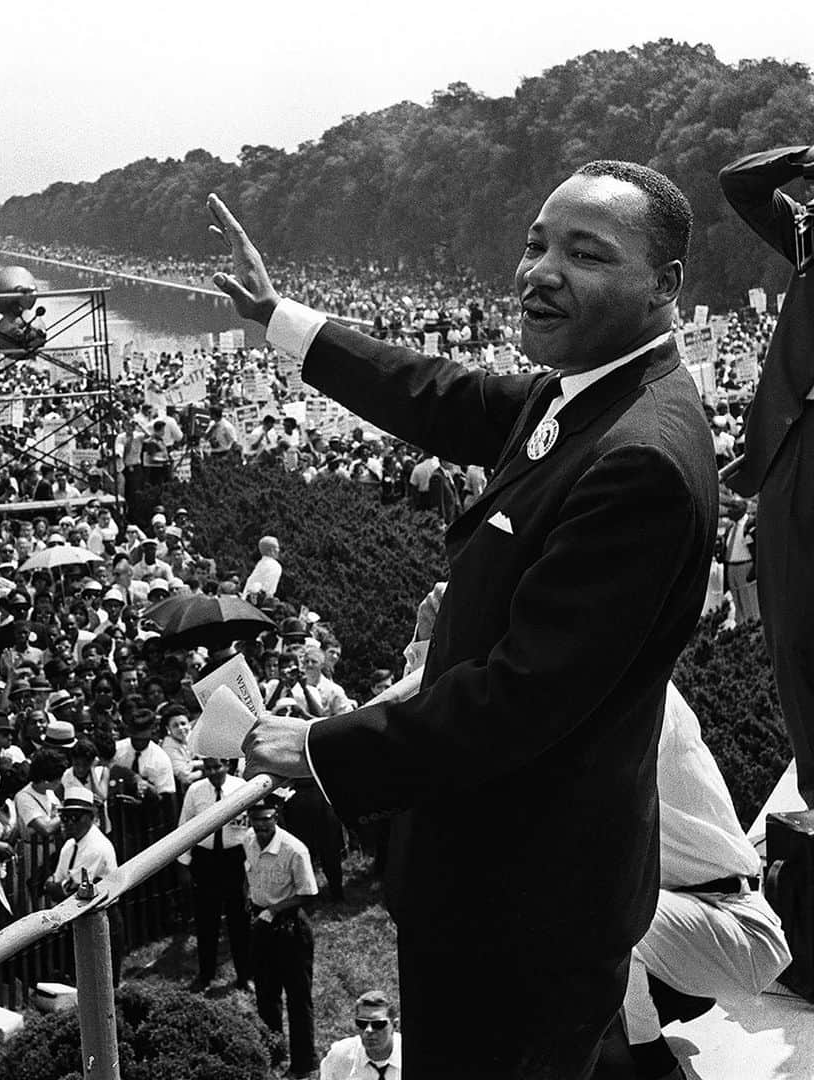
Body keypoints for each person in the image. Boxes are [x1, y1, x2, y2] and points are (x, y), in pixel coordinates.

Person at [211, 157, 718, 1079]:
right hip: (500, 881)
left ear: (666, 286)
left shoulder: (639, 455)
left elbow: (519, 700)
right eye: (535, 244)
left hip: (525, 905)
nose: (542, 271)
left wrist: (325, 747)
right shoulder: (585, 391)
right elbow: (432, 391)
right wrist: (279, 319)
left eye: (586, 252)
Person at [602, 682, 791, 1080]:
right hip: (700, 909)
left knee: (604, 909)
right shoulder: (631, 682)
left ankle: (652, 1060)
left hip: (736, 923)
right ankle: (647, 1014)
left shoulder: (644, 699)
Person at [719, 144, 814, 806]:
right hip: (796, 447)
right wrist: (806, 156)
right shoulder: (807, 232)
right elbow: (739, 186)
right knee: (792, 625)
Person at [243, 799, 318, 1079]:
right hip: (262, 926)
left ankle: (303, 1064)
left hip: (291, 928)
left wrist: (275, 909)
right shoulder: (248, 841)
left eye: (267, 820)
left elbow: (308, 893)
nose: (261, 827)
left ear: (276, 817)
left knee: (298, 999)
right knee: (266, 995)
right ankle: (273, 1055)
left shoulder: (294, 850)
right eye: (256, 820)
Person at [177, 758, 250, 992]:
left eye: (217, 767)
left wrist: (252, 866)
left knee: (239, 921)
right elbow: (185, 827)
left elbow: (249, 829)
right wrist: (185, 864)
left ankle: (244, 975)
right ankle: (206, 973)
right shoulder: (195, 791)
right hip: (205, 860)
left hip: (234, 859)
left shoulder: (242, 788)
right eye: (208, 768)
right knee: (206, 920)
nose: (213, 772)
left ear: (227, 766)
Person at [44, 787, 123, 984]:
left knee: (104, 982)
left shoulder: (96, 847)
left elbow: (67, 891)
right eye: (65, 817)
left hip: (102, 918)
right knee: (81, 979)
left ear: (90, 817)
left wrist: (56, 887)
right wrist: (57, 886)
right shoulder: (70, 845)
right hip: (79, 918)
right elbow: (59, 881)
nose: (69, 823)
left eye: (76, 817)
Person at [319, 990, 402, 1080]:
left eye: (378, 1024)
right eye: (362, 1023)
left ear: (394, 1025)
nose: (368, 1030)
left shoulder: (413, 1056)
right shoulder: (340, 1057)